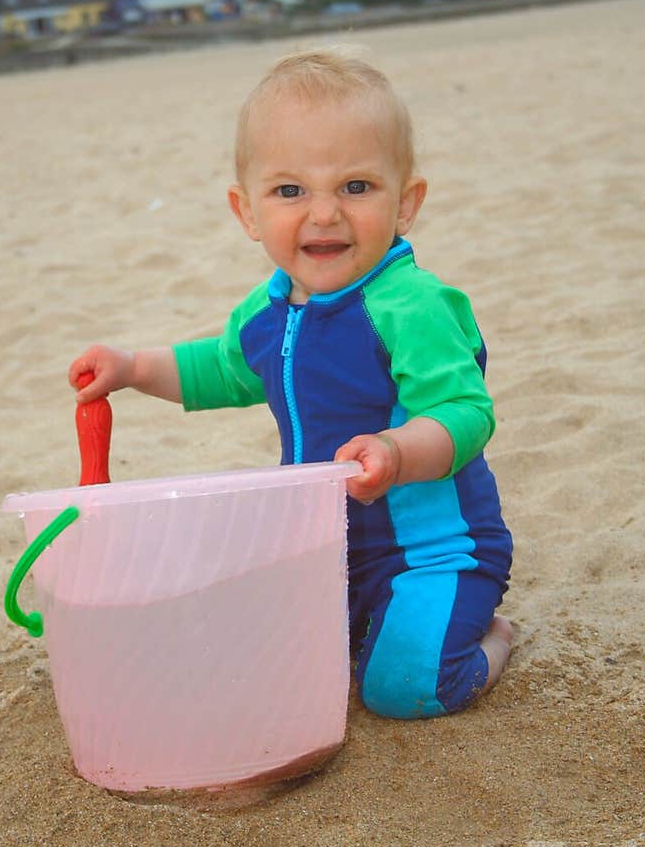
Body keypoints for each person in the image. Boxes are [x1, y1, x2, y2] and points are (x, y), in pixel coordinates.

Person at [69, 48, 514, 720]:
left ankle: (495, 640)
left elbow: (464, 411)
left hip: (432, 552)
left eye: (356, 187)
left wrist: (396, 451)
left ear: (406, 203)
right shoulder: (269, 310)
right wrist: (132, 368)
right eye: (290, 191)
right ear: (247, 212)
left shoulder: (412, 306)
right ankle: (373, 625)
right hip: (322, 551)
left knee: (401, 688)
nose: (325, 213)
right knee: (259, 661)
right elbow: (219, 369)